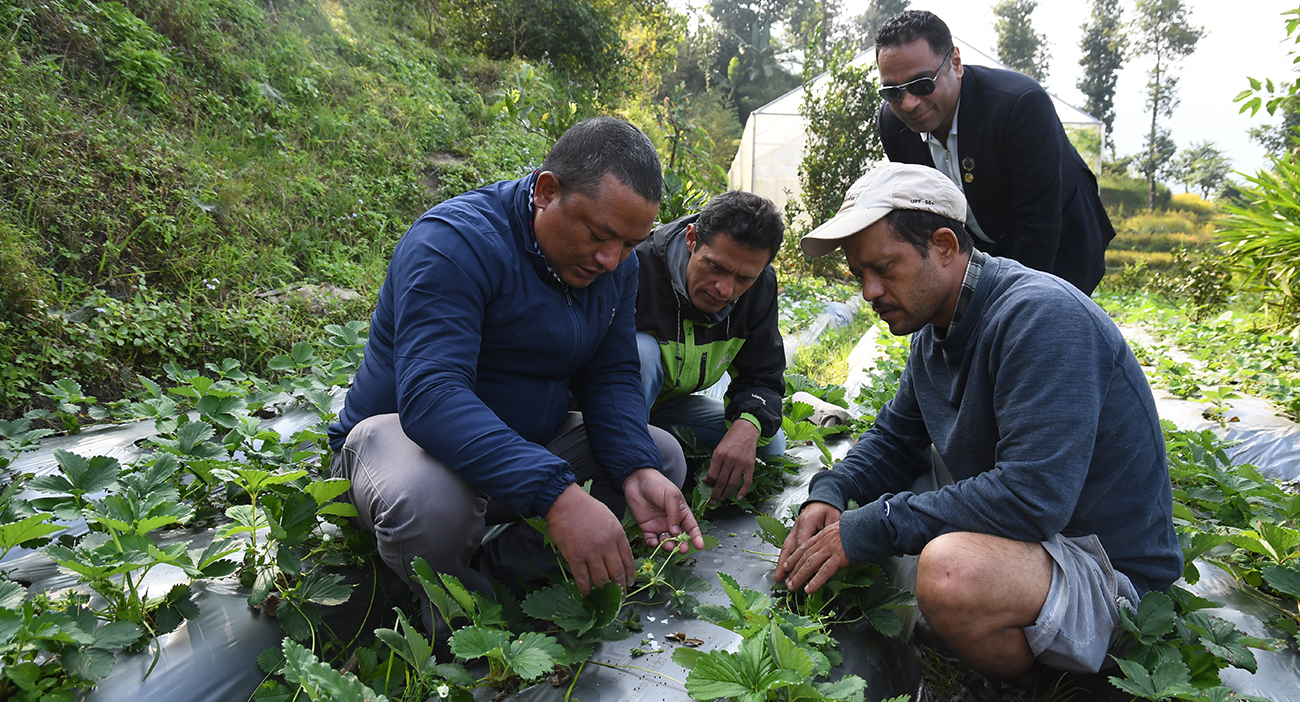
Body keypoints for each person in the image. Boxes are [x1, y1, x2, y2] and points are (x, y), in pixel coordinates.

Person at [775, 162, 1181, 698]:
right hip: (1039, 551)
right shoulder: (936, 332)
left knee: (949, 571)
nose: (870, 291)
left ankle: (1044, 687)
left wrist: (871, 527)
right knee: (902, 495)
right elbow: (896, 440)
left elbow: (1032, 498)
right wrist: (830, 493)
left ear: (944, 245)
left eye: (885, 267)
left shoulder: (1039, 317)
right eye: (859, 275)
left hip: (1111, 578)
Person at [327, 117, 705, 612]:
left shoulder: (615, 267)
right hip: (399, 441)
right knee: (434, 504)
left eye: (630, 245)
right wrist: (556, 494)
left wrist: (634, 466)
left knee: (659, 460)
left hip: (518, 446)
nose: (611, 260)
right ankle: (442, 622)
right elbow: (431, 397)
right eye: (599, 235)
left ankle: (492, 588)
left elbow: (611, 374)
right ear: (547, 192)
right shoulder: (454, 243)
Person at [873, 10, 1115, 296]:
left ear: (955, 63)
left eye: (922, 85)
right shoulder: (892, 123)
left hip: (1060, 237)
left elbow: (1038, 225)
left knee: (1046, 324)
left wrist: (1011, 304)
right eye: (893, 92)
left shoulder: (1019, 106)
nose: (909, 103)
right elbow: (925, 213)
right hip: (986, 240)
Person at [634, 191, 788, 504]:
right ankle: (635, 462)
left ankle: (671, 459)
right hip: (610, 413)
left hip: (664, 409)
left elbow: (764, 374)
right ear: (692, 239)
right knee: (641, 352)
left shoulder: (759, 290)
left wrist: (747, 425)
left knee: (770, 444)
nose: (725, 289)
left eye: (744, 277)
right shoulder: (639, 268)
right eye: (715, 267)